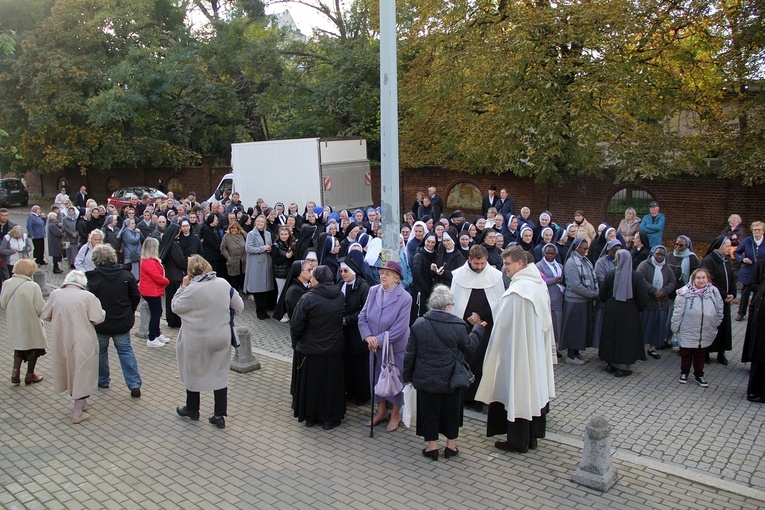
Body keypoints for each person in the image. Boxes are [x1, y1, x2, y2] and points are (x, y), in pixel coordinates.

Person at [476, 248, 556, 454]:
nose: (505, 268)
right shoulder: (539, 284)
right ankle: (532, 437)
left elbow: (502, 328)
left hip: (518, 352)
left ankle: (518, 441)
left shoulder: (516, 292)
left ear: (520, 264)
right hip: (535, 350)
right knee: (533, 389)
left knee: (519, 391)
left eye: (508, 264)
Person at [404, 285, 485, 460]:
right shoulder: (458, 324)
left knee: (429, 411)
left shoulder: (419, 324)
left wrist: (407, 376)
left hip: (426, 378)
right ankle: (450, 447)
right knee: (451, 411)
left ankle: (432, 447)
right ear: (448, 305)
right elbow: (469, 347)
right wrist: (478, 329)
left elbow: (410, 354)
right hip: (451, 378)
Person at [174, 255, 244, 429]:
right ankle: (219, 415)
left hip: (196, 339)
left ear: (190, 272)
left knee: (193, 372)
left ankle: (192, 409)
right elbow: (239, 306)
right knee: (219, 374)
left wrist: (183, 286)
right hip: (220, 337)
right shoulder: (223, 284)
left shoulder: (191, 289)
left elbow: (175, 307)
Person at [42, 271, 106, 424]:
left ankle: (82, 403)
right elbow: (98, 318)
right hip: (83, 339)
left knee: (69, 369)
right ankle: (77, 413)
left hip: (62, 338)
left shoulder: (56, 294)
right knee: (82, 371)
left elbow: (45, 314)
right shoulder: (88, 297)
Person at [358, 261, 413, 432]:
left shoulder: (405, 298)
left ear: (397, 278)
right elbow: (363, 316)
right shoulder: (373, 291)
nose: (383, 276)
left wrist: (378, 339)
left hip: (395, 348)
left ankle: (395, 414)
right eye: (381, 273)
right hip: (373, 346)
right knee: (376, 377)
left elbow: (400, 328)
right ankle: (381, 411)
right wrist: (368, 337)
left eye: (387, 274)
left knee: (395, 379)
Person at [289, 266, 346, 429]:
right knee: (330, 386)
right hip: (334, 349)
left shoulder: (308, 299)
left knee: (313, 385)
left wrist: (297, 343)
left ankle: (311, 417)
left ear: (318, 280)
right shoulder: (339, 296)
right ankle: (330, 419)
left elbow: (296, 325)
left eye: (312, 277)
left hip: (312, 350)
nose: (310, 280)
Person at [449, 245, 505, 409]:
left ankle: (479, 398)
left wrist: (479, 315)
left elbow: (497, 301)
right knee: (465, 359)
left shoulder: (495, 275)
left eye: (482, 264)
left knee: (483, 361)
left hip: (486, 324)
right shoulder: (459, 275)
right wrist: (468, 316)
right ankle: (463, 395)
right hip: (464, 324)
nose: (480, 267)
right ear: (469, 260)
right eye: (476, 264)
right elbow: (455, 300)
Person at [85, 244, 142, 397]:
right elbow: (135, 296)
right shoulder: (126, 275)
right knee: (125, 351)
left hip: (101, 322)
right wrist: (130, 311)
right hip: (122, 320)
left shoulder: (92, 278)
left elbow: (88, 301)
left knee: (101, 352)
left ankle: (103, 380)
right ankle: (134, 383)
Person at [598, 250, 650, 376]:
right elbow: (642, 298)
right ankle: (622, 366)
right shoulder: (636, 277)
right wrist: (640, 308)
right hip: (630, 313)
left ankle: (610, 363)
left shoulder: (611, 274)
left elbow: (602, 294)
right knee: (626, 339)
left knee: (611, 336)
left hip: (611, 311)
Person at [673, 268, 723, 387]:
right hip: (688, 329)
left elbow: (720, 307)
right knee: (686, 353)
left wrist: (717, 322)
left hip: (705, 330)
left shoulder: (713, 291)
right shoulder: (684, 292)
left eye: (703, 278)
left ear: (708, 279)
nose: (701, 280)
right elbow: (677, 311)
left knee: (700, 354)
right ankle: (684, 373)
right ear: (693, 279)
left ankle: (699, 375)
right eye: (698, 278)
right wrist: (675, 327)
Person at [1, 259, 46, 386]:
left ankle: (15, 373)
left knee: (19, 346)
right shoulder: (33, 286)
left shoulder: (7, 283)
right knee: (34, 348)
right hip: (30, 321)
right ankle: (30, 375)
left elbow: (3, 302)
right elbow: (40, 308)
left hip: (14, 320)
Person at [559, 238, 599, 364]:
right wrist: (592, 294)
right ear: (577, 248)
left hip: (584, 301)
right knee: (573, 328)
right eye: (584, 248)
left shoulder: (584, 260)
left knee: (581, 328)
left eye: (587, 248)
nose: (586, 251)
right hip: (574, 301)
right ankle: (570, 355)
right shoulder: (572, 263)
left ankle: (577, 352)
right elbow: (575, 285)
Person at [339, 257, 371, 405]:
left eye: (346, 271)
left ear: (353, 272)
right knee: (348, 364)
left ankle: (362, 394)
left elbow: (365, 311)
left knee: (360, 366)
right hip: (345, 333)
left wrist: (348, 319)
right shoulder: (341, 285)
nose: (343, 274)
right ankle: (349, 391)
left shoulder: (363, 287)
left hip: (358, 332)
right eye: (341, 271)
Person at [701, 236, 736, 365]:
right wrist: (722, 294)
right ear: (719, 247)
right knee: (711, 326)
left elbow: (732, 277)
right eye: (727, 246)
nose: (729, 248)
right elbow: (709, 280)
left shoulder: (727, 260)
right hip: (713, 299)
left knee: (724, 326)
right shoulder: (709, 260)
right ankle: (706, 352)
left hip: (725, 300)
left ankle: (722, 352)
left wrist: (732, 293)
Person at [637, 246, 676, 359]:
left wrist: (664, 291)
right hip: (648, 301)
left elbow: (672, 282)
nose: (659, 256)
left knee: (656, 325)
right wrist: (653, 290)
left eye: (662, 255)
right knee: (645, 324)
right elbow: (640, 279)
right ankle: (639, 347)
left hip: (661, 302)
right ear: (652, 253)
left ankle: (652, 348)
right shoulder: (644, 265)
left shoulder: (667, 268)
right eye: (657, 254)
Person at [139, 237, 171, 348]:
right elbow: (157, 278)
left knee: (157, 312)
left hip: (151, 290)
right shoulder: (149, 263)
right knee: (156, 314)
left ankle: (157, 334)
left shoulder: (149, 260)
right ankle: (152, 338)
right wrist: (167, 281)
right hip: (151, 292)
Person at [537, 243, 565, 355]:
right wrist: (553, 280)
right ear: (544, 253)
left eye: (552, 253)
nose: (550, 255)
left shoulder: (560, 266)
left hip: (559, 298)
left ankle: (557, 347)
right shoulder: (539, 266)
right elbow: (542, 279)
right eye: (547, 253)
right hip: (548, 299)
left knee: (558, 324)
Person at [244, 215, 274, 319]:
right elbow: (248, 248)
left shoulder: (268, 234)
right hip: (256, 263)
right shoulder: (251, 234)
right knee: (258, 289)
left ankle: (264, 310)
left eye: (262, 222)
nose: (260, 223)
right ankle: (259, 311)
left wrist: (270, 249)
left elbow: (270, 245)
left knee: (265, 288)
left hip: (266, 263)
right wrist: (262, 248)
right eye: (258, 221)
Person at [734, 221, 765, 322]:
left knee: (759, 294)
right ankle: (741, 313)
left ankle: (755, 313)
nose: (756, 231)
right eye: (754, 229)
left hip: (761, 272)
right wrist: (742, 259)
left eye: (759, 229)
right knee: (745, 293)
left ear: (763, 231)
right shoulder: (747, 241)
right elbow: (736, 252)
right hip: (748, 271)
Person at [158, 223, 187, 328]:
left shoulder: (166, 243)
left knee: (170, 298)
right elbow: (179, 261)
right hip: (176, 275)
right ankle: (176, 321)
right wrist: (187, 263)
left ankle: (171, 320)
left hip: (169, 274)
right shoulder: (173, 244)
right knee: (176, 299)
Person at [220, 221, 247, 292]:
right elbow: (222, 248)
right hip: (233, 261)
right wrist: (228, 257)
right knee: (234, 280)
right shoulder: (226, 236)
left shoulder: (243, 234)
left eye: (235, 228)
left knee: (244, 277)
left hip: (244, 261)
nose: (233, 230)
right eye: (232, 228)